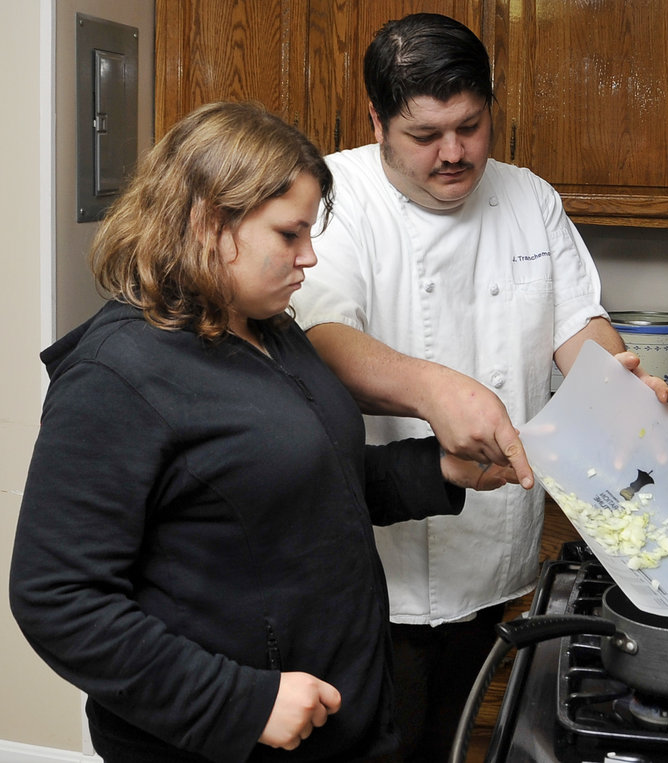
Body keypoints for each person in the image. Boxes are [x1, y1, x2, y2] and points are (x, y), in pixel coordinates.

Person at [8, 101, 516, 763]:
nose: (309, 257)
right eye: (289, 235)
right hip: (224, 740)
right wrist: (241, 701)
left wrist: (439, 470)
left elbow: (311, 479)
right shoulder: (116, 375)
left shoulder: (268, 327)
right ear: (205, 222)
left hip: (342, 717)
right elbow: (57, 597)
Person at [289, 13, 668, 761]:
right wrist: (436, 389)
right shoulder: (336, 197)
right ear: (376, 120)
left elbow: (576, 322)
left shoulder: (529, 197)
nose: (455, 153)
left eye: (470, 125)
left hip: (498, 547)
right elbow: (322, 341)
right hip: (380, 566)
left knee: (464, 741)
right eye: (426, 135)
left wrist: (618, 380)